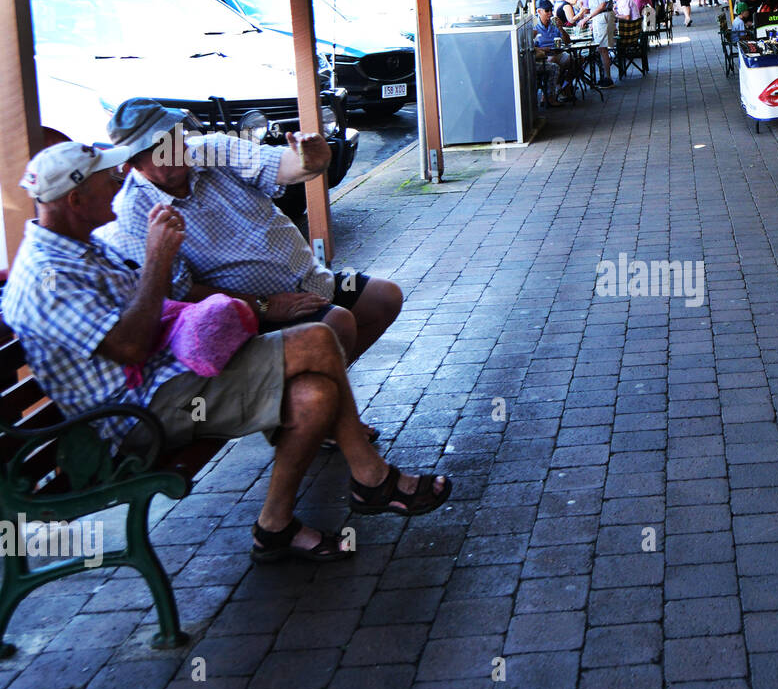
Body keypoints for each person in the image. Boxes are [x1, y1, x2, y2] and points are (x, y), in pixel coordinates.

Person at [2, 143, 452, 563]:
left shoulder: (81, 246)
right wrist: (159, 260)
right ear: (76, 201)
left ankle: (274, 527)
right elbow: (131, 347)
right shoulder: (47, 275)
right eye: (106, 180)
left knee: (314, 394)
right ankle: (372, 478)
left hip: (173, 376)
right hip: (141, 413)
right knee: (318, 338)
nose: (118, 181)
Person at [101, 99, 403, 369]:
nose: (174, 149)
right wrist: (268, 306)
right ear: (131, 165)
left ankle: (312, 401)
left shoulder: (212, 149)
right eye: (158, 148)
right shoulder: (133, 209)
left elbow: (278, 165)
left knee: (384, 298)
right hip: (247, 311)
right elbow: (183, 291)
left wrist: (308, 162)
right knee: (337, 323)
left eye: (174, 136)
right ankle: (315, 410)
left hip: (309, 280)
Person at [575, 0, 616, 88]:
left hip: (602, 16)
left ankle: (608, 78)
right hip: (600, 17)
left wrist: (587, 18)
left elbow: (602, 4)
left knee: (602, 48)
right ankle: (606, 77)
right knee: (601, 48)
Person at [533, 0, 573, 105]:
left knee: (576, 60)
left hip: (558, 53)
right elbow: (531, 48)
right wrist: (543, 49)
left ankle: (563, 86)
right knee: (553, 61)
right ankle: (550, 95)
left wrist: (561, 28)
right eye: (547, 10)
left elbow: (568, 42)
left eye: (551, 10)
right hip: (543, 56)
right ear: (539, 11)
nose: (550, 13)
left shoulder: (554, 23)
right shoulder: (534, 26)